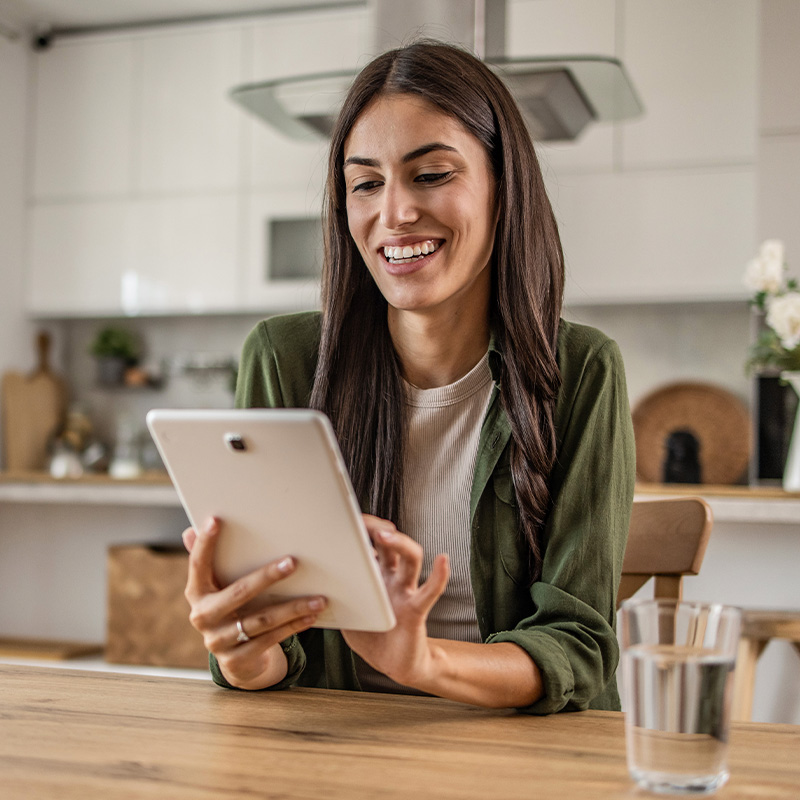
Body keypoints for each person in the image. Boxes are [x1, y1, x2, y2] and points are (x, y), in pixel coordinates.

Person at [182, 40, 635, 714]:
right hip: (332, 746)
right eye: (366, 183)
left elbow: (579, 645)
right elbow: (275, 652)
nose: (393, 213)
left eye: (431, 174)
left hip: (521, 747)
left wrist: (422, 662)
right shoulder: (284, 359)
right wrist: (242, 650)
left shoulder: (582, 370)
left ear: (504, 188)